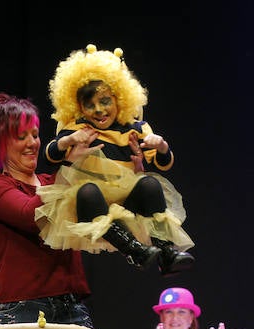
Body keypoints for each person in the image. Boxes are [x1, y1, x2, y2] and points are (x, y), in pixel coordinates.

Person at [37, 44, 194, 275]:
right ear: (79, 107)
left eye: (105, 101)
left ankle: (166, 253)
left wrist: (161, 146)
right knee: (88, 191)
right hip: (92, 203)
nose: (99, 110)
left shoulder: (134, 129)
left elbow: (163, 164)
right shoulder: (79, 128)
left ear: (119, 98)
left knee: (150, 184)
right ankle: (135, 250)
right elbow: (50, 155)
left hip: (126, 199)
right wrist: (67, 141)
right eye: (89, 105)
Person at [0, 92, 93, 328]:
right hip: (21, 310)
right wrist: (70, 168)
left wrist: (133, 166)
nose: (33, 143)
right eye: (21, 136)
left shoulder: (54, 181)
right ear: (0, 143)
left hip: (71, 307)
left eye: (36, 135)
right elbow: (33, 215)